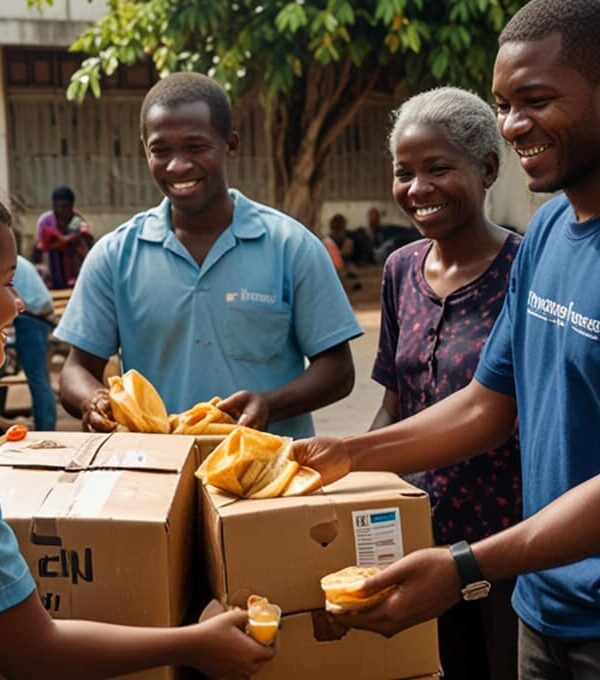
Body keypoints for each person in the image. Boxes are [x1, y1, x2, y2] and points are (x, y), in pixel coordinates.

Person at [293, 1, 600, 677]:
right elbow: (486, 406)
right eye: (505, 105)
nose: (513, 125)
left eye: (536, 101)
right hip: (542, 610)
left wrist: (466, 565)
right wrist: (344, 455)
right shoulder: (549, 235)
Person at [0, 201, 274, 679]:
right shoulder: (114, 253)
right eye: (6, 283)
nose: (18, 303)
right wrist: (196, 643)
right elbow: (31, 650)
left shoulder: (285, 242)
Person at [55, 72, 362, 437]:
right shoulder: (114, 255)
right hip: (156, 465)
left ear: (230, 144)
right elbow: (76, 369)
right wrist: (94, 401)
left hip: (267, 465)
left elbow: (338, 370)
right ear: (145, 150)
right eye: (161, 150)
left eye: (195, 147)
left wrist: (269, 404)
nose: (177, 165)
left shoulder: (291, 246)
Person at [368, 86, 521, 680]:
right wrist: (348, 481)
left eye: (438, 168)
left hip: (509, 544)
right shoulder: (400, 270)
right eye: (404, 172)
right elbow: (394, 408)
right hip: (419, 543)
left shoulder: (526, 269)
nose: (417, 188)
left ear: (487, 169)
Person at [12, 255, 57, 430]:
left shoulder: (6, 260)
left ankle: (45, 429)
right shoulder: (16, 258)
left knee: (37, 377)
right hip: (35, 316)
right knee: (38, 376)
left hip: (30, 318)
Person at [35, 186, 94, 289]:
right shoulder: (46, 220)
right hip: (51, 261)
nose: (61, 210)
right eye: (57, 206)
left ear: (71, 206)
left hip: (72, 262)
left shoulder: (77, 219)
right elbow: (40, 246)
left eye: (65, 206)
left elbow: (86, 241)